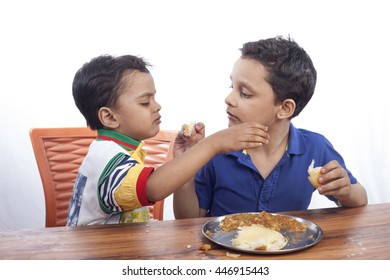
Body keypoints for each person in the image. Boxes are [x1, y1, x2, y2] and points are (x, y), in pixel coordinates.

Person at [173, 36, 368, 219]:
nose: (229, 99)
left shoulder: (315, 148)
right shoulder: (215, 150)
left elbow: (360, 200)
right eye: (231, 87)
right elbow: (189, 220)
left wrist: (346, 191)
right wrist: (184, 171)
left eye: (245, 93)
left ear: (284, 108)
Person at [67, 54, 269, 226]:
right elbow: (153, 188)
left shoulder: (117, 149)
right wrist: (214, 143)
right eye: (145, 102)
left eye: (154, 98)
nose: (157, 106)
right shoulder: (106, 160)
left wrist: (187, 154)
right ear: (109, 117)